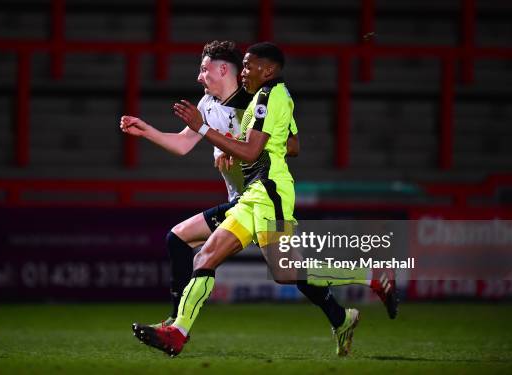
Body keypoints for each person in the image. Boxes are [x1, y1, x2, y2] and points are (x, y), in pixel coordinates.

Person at [133, 42, 398, 357]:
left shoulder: (267, 98)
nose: (244, 71)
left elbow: (266, 149)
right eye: (243, 65)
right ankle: (177, 331)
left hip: (269, 190)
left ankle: (371, 276)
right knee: (205, 257)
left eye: (248, 65)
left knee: (286, 272)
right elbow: (242, 145)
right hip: (251, 195)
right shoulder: (253, 97)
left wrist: (213, 135)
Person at [121, 40, 297, 328]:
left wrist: (234, 146)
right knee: (182, 241)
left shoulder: (255, 101)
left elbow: (289, 145)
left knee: (286, 271)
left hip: (262, 196)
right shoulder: (208, 104)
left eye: (204, 69)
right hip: (242, 201)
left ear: (223, 69)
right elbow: (182, 144)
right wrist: (147, 131)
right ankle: (175, 324)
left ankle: (176, 325)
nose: (199, 76)